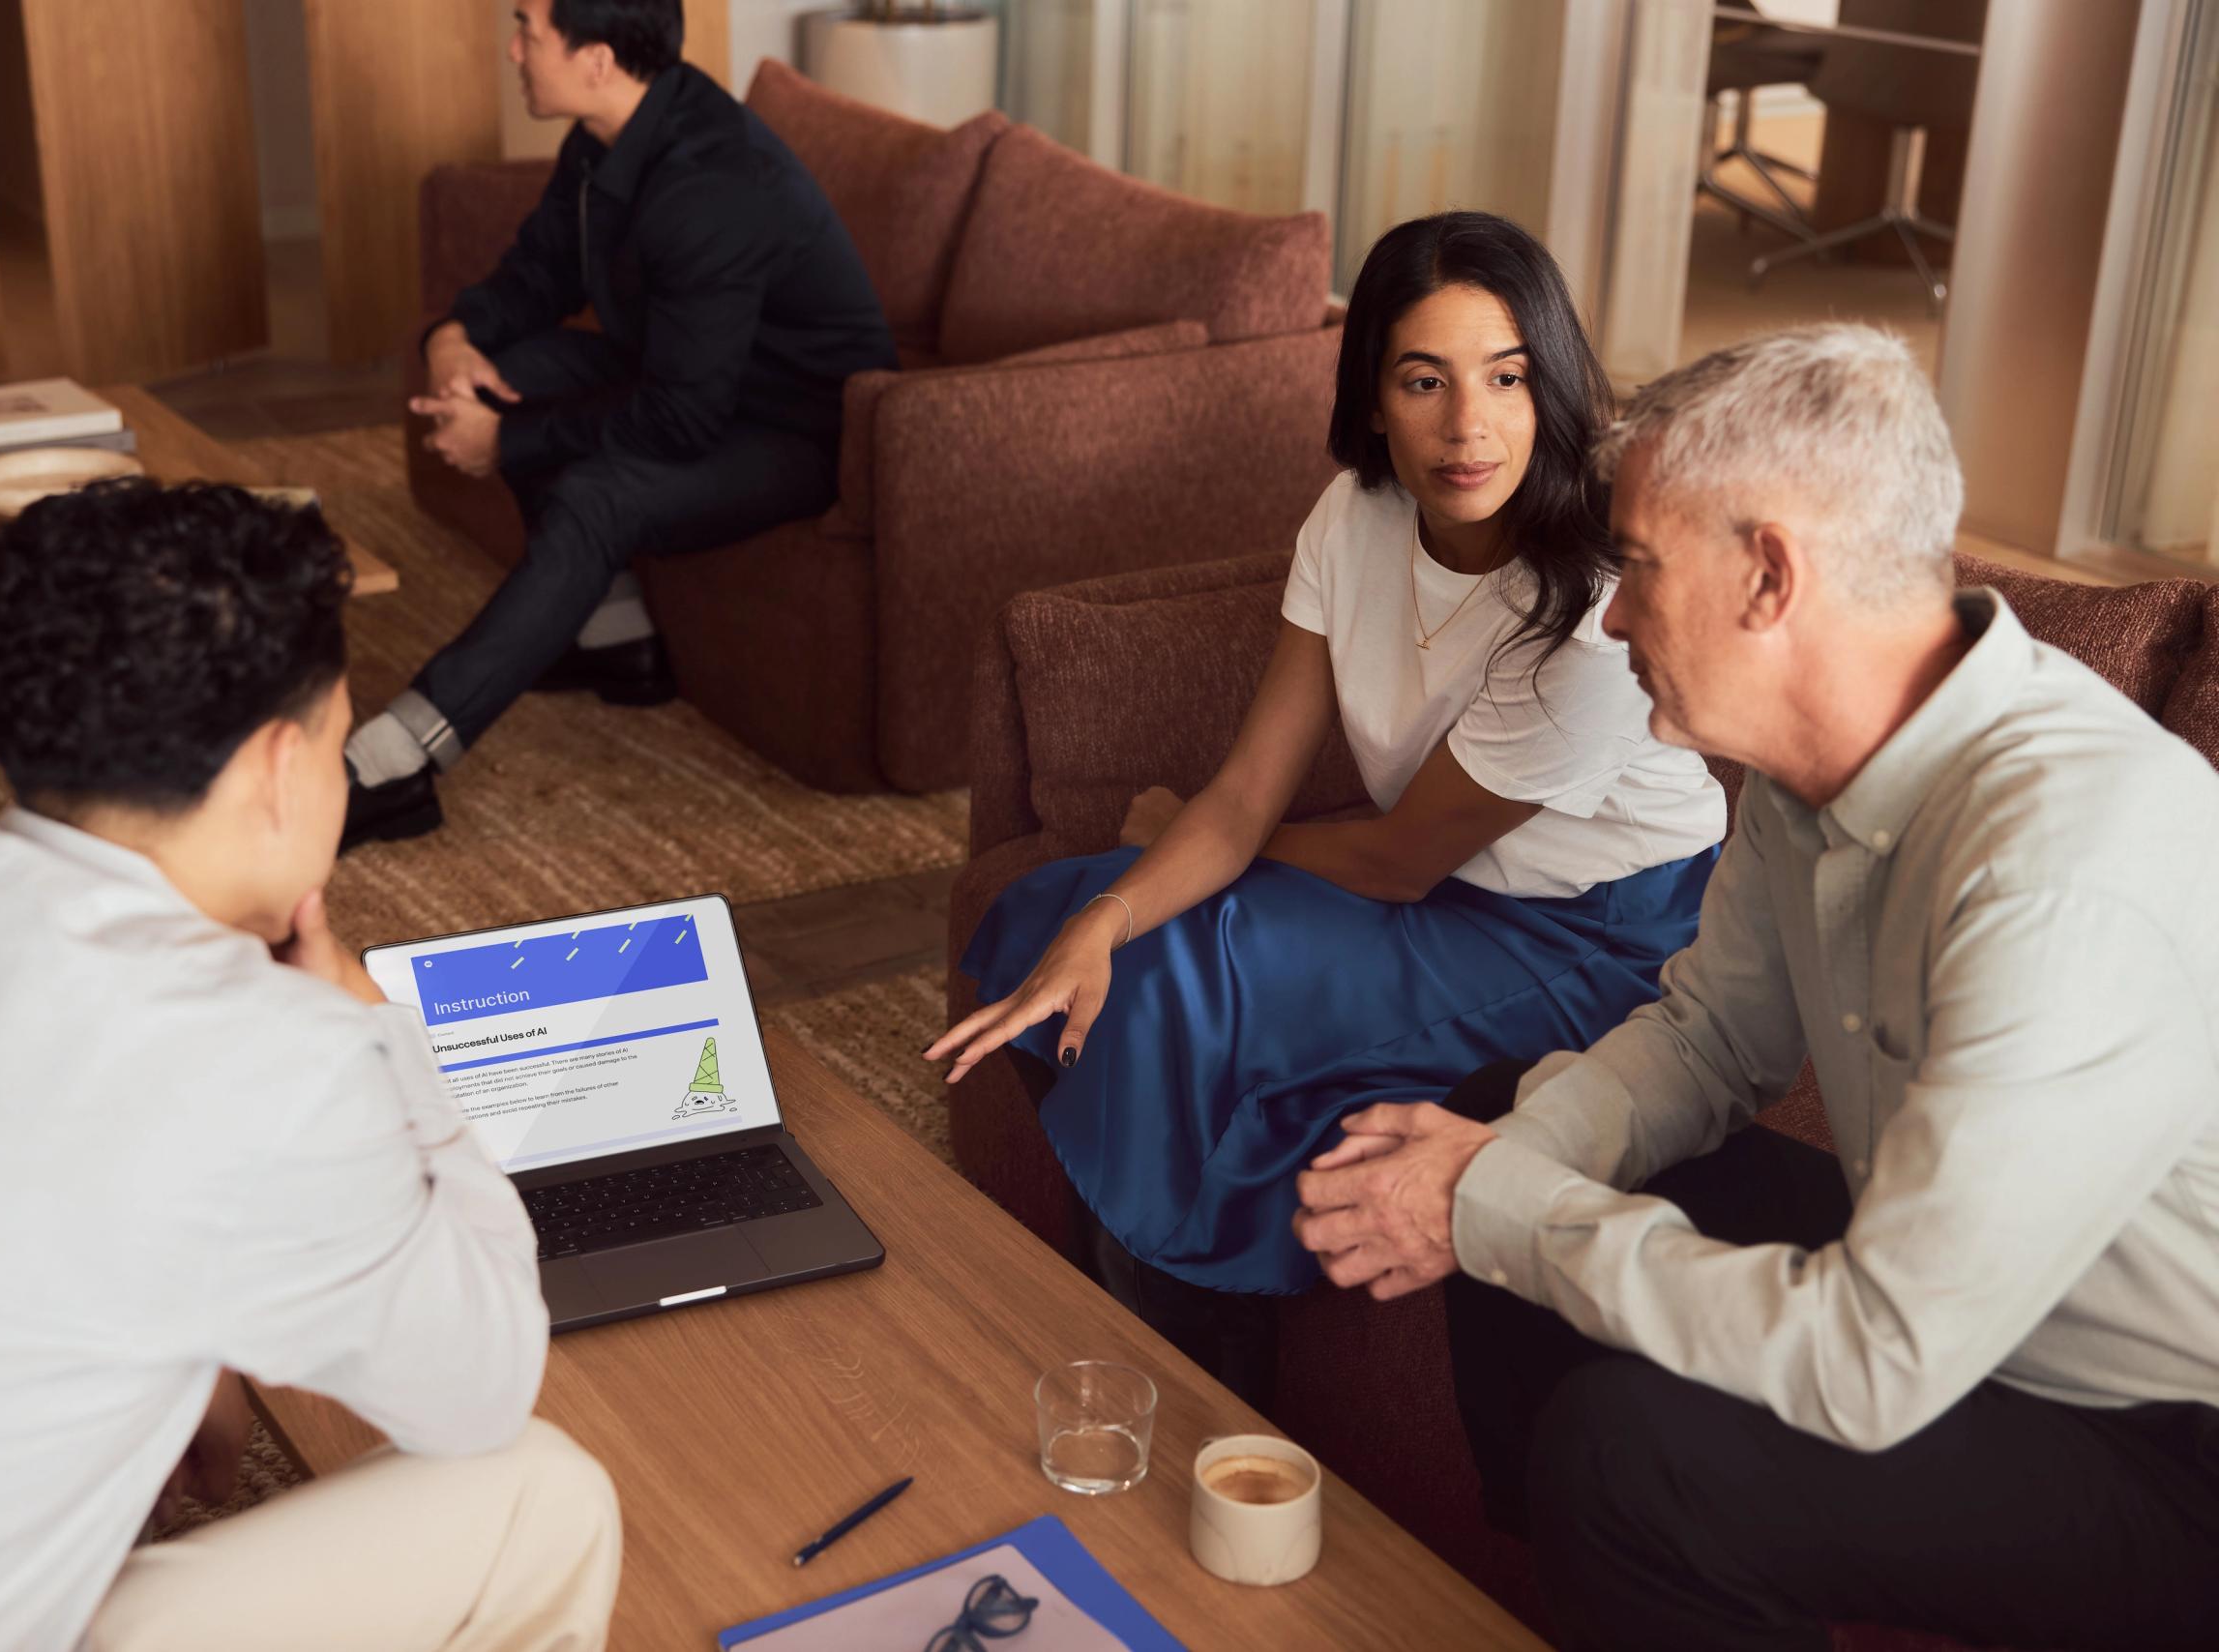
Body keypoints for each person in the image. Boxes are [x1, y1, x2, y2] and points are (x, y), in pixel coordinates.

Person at [1292, 325, 2219, 1651]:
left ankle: (1626, 1536)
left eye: (1641, 568)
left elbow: (1878, 1358)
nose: (1608, 614)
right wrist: (1488, 1172)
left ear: (1769, 578)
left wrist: (1498, 1208)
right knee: (1510, 1112)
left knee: (1632, 1447)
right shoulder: (1813, 766)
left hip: (2160, 1451)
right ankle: (1563, 1597)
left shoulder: (2065, 870)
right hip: (1962, 1301)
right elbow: (1711, 1038)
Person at [0, 482, 620, 1652]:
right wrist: (367, 1022)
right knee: (537, 1495)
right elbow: (484, 1379)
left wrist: (189, 1356)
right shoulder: (276, 1063)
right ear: (276, 765)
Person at [930, 212, 1728, 1407]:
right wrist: (1115, 901)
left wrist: (1167, 844)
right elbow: (1249, 790)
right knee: (1066, 920)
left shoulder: (1589, 612)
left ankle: (1194, 1382)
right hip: (1450, 885)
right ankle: (1140, 1321)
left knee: (1182, 992)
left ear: (1551, 385)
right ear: (1371, 402)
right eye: (1426, 380)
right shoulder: (1353, 518)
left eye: (1507, 378)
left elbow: (1399, 859)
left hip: (1603, 933)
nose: (1469, 425)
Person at [346, 0, 897, 849]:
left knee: (594, 494)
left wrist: (509, 443)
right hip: (687, 375)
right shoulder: (607, 137)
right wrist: (453, 340)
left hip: (795, 427)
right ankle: (617, 643)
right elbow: (539, 275)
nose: (513, 49)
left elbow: (680, 421)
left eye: (528, 28)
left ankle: (397, 764)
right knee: (513, 382)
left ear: (597, 57)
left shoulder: (709, 185)